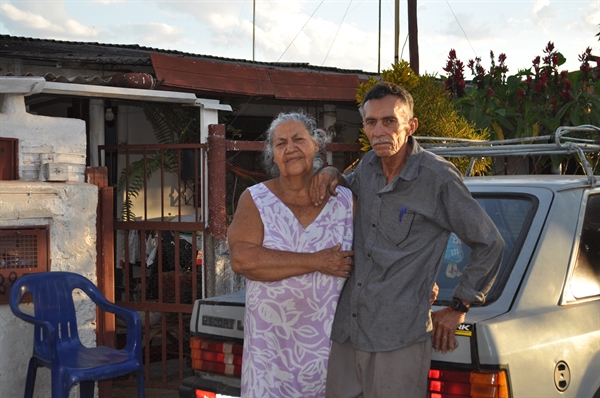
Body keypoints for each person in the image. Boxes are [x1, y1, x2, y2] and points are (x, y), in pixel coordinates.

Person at [310, 82, 505, 397]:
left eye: (390, 121)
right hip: (348, 330)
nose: (379, 130)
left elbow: (490, 243)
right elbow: (346, 190)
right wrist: (332, 173)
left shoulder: (438, 178)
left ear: (411, 126)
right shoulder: (369, 166)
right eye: (371, 122)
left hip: (397, 338)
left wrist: (459, 305)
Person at [228, 111, 355, 398]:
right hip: (270, 354)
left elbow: (376, 250)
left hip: (330, 352)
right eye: (280, 143)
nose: (290, 149)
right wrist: (317, 261)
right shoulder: (255, 199)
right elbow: (243, 260)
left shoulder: (345, 200)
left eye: (298, 139)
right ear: (272, 155)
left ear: (316, 145)